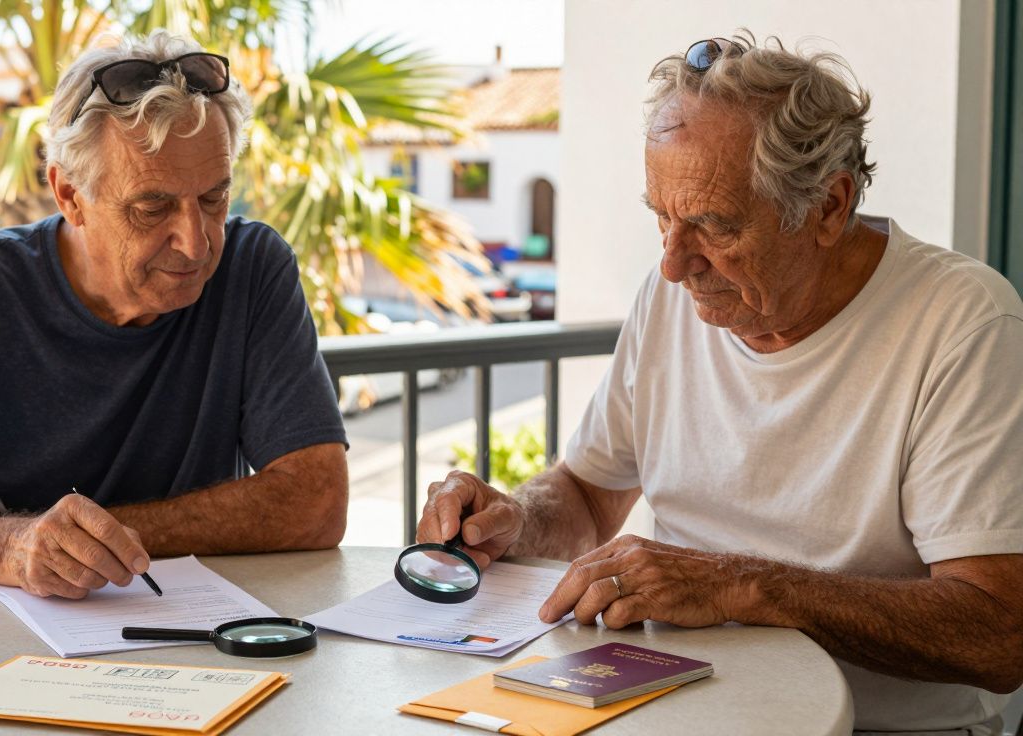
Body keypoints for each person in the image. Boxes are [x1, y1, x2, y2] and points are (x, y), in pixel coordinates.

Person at [418, 35, 1023, 733]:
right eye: (661, 218)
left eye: (713, 226)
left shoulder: (964, 323)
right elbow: (587, 494)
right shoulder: (671, 295)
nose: (674, 266)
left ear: (830, 206)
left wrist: (742, 585)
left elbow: (999, 632)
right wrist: (515, 519)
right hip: (667, 705)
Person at [0, 30, 349, 601]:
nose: (197, 243)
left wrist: (93, 543)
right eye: (152, 207)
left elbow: (316, 502)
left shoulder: (251, 268)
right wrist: (14, 547)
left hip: (155, 645)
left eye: (213, 198)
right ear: (69, 195)